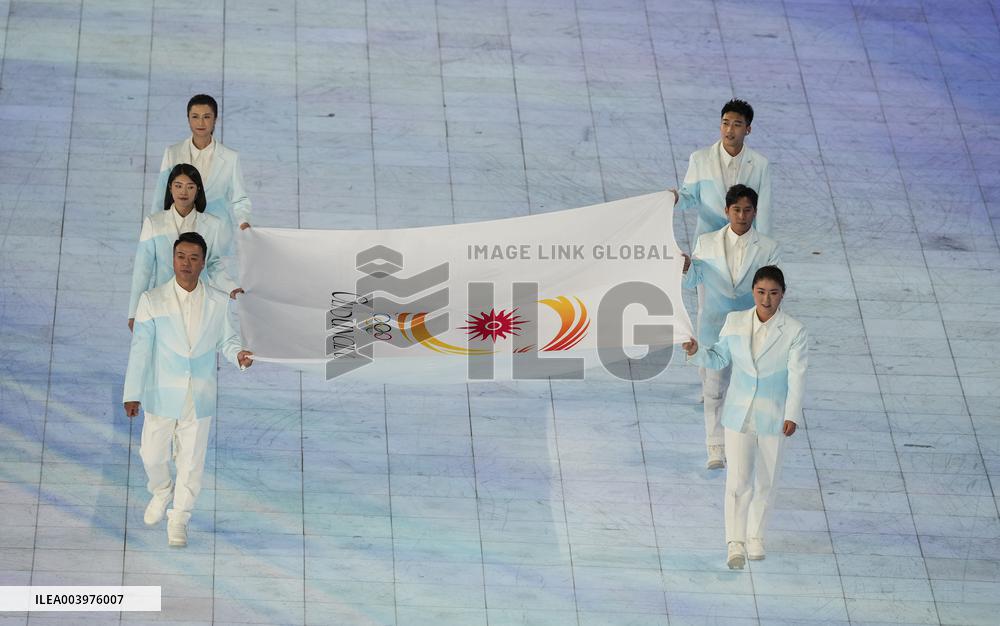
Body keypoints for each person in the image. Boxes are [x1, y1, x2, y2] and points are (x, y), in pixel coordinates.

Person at [124, 232, 254, 547]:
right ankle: (161, 489)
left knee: (191, 462)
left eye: (194, 258)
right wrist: (132, 393)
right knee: (152, 454)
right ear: (173, 259)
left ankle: (179, 518)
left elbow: (227, 339)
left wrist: (238, 355)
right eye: (181, 256)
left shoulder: (218, 301)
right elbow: (141, 348)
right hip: (161, 391)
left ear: (202, 262)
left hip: (200, 394)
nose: (186, 263)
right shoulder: (152, 301)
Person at [681, 266, 807, 569]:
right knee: (737, 481)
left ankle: (755, 536)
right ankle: (734, 542)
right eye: (761, 292)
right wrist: (697, 351)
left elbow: (798, 376)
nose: (766, 299)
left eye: (773, 293)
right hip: (738, 414)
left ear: (782, 295)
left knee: (766, 481)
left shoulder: (794, 331)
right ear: (753, 292)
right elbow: (719, 358)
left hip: (774, 416)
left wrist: (792, 414)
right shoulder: (735, 322)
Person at [682, 185, 780, 470]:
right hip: (715, 324)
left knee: (750, 389)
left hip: (750, 327)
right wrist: (687, 268)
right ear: (726, 211)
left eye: (747, 210)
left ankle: (746, 445)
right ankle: (715, 447)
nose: (741, 215)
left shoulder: (768, 248)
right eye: (736, 210)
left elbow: (773, 291)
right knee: (713, 389)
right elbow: (693, 282)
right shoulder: (706, 243)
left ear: (755, 212)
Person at [129, 163, 241, 331]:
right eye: (178, 186)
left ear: (198, 191)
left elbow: (213, 264)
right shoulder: (153, 223)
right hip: (162, 302)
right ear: (170, 188)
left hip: (197, 303)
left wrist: (231, 288)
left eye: (190, 187)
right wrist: (134, 312)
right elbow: (142, 270)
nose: (183, 192)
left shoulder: (212, 225)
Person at [152, 94, 252, 243]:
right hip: (180, 231)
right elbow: (161, 195)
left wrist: (244, 221)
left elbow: (240, 198)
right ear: (188, 119)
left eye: (206, 117)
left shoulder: (231, 157)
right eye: (195, 116)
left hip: (217, 235)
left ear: (215, 120)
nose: (200, 122)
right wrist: (155, 229)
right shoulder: (173, 152)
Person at [671, 99, 772, 239]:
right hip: (708, 242)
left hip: (745, 243)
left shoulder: (761, 164)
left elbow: (763, 212)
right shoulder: (699, 159)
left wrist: (763, 247)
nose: (729, 130)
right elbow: (689, 197)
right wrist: (674, 198)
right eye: (725, 123)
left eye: (737, 125)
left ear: (748, 129)